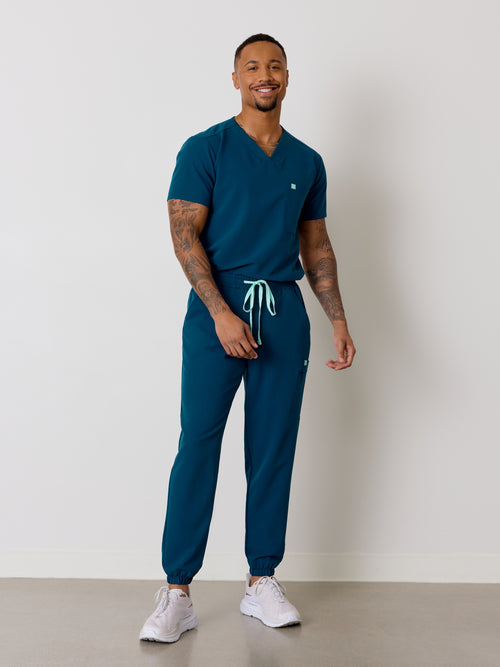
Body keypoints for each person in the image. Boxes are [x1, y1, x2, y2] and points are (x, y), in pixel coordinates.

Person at [139, 32, 356, 644]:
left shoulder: (306, 161)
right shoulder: (205, 148)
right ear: (236, 78)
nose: (266, 74)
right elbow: (184, 237)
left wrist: (338, 318)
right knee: (198, 444)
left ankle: (262, 579)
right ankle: (177, 591)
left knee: (272, 447)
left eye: (276, 65)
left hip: (283, 311)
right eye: (253, 66)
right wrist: (220, 313)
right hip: (219, 310)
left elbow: (315, 243)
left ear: (287, 77)